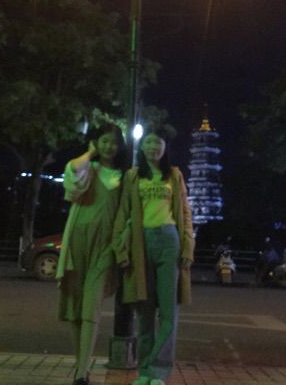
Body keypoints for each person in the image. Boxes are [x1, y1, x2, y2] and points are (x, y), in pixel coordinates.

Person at [112, 128, 194, 385]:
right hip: (141, 242)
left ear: (165, 147)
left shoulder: (174, 175)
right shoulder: (133, 176)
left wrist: (188, 247)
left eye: (158, 143)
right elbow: (123, 212)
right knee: (144, 311)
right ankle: (145, 372)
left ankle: (159, 371)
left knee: (168, 312)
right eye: (148, 142)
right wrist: (120, 249)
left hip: (169, 239)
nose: (153, 147)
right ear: (142, 146)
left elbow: (185, 213)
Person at [55, 124, 128, 385]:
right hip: (77, 240)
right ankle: (80, 366)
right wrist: (90, 153)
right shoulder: (89, 168)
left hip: (105, 246)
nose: (110, 146)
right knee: (76, 307)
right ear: (96, 142)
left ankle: (82, 372)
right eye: (104, 141)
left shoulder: (123, 175)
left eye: (114, 142)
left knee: (91, 306)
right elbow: (73, 171)